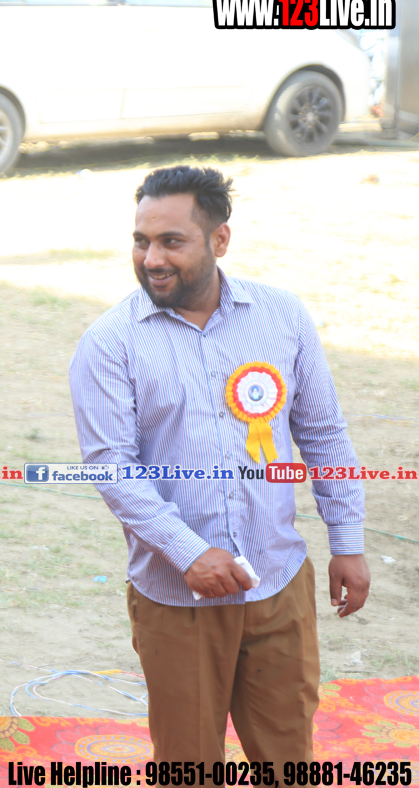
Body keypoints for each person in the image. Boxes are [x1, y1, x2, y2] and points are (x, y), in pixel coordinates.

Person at [69, 165, 371, 764]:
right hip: (176, 600)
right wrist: (188, 553)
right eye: (141, 241)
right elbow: (110, 466)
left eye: (171, 242)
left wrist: (348, 540)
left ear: (220, 240)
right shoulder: (110, 341)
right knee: (187, 766)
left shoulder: (282, 317)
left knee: (289, 761)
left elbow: (322, 432)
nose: (152, 259)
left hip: (277, 584)